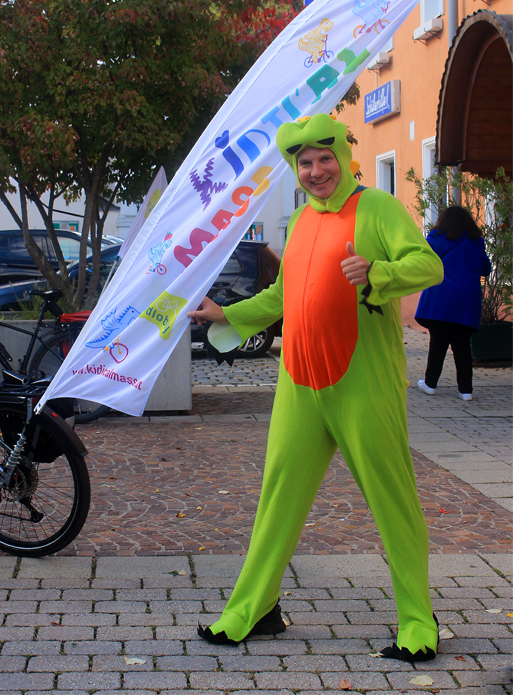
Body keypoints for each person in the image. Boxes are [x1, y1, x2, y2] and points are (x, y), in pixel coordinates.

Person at [187, 113, 444, 663]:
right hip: (299, 383)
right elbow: (283, 297)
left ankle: (419, 620)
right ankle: (254, 607)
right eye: (305, 163)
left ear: (343, 158)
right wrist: (224, 313)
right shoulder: (301, 221)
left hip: (363, 383)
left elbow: (429, 265)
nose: (316, 170)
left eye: (325, 158)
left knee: (392, 497)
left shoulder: (377, 207)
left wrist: (378, 273)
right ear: (295, 170)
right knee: (278, 496)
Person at [415, 205, 492, 400]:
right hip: (466, 300)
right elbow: (486, 268)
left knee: (438, 342)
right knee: (462, 345)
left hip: (439, 298)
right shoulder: (476, 242)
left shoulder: (435, 238)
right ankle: (466, 390)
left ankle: (430, 384)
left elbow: (422, 262)